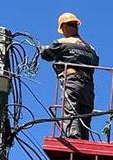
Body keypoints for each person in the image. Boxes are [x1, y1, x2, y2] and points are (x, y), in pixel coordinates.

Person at [41, 12, 99, 140]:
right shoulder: (91, 48)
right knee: (85, 113)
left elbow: (46, 54)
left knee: (71, 109)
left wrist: (42, 49)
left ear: (63, 27)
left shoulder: (62, 42)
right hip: (88, 86)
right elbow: (96, 62)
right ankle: (83, 141)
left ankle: (74, 138)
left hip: (72, 81)